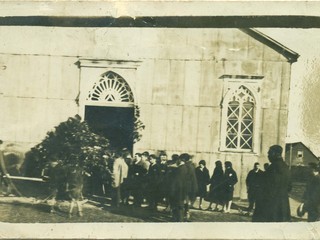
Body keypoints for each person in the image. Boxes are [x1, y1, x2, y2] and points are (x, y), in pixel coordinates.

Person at [252, 145, 292, 222]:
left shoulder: (273, 168)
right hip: (283, 205)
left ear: (275, 154)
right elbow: (289, 187)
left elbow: (267, 187)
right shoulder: (286, 167)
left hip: (270, 206)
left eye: (269, 153)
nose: (268, 155)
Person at [168, 154, 188, 222]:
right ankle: (177, 219)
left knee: (179, 206)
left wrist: (172, 190)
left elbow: (177, 181)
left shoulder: (181, 168)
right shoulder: (183, 168)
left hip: (178, 191)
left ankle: (179, 220)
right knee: (178, 206)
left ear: (181, 160)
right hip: (181, 190)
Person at [182, 153, 198, 220]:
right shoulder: (191, 166)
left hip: (186, 186)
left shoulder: (186, 166)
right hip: (190, 187)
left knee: (185, 200)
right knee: (187, 201)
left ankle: (185, 213)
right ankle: (186, 213)